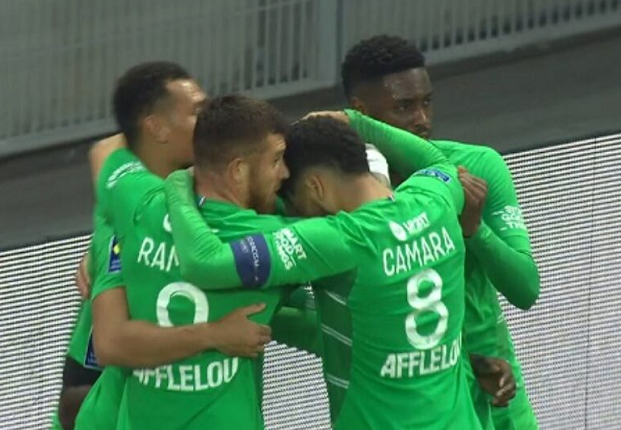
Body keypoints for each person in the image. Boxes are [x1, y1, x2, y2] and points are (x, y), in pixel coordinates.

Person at [162, 110, 490, 429]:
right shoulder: (435, 201)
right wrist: (356, 121)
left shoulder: (340, 240)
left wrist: (177, 188)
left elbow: (204, 262)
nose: (292, 215)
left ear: (315, 187)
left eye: (292, 202)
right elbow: (439, 164)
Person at [341, 34, 541, 429]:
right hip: (413, 405)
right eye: (404, 107)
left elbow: (525, 288)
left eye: (427, 102)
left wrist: (475, 230)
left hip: (500, 397)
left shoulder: (478, 165)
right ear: (361, 112)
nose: (422, 119)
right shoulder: (343, 193)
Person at [95, 94, 330, 430]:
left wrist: (106, 244)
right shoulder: (273, 238)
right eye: (276, 160)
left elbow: (108, 151)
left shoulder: (142, 203)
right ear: (238, 170)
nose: (285, 172)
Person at [66, 63, 278, 430]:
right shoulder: (128, 217)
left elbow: (106, 150)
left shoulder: (220, 202)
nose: (208, 120)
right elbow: (95, 368)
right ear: (157, 128)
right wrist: (215, 334)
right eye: (196, 111)